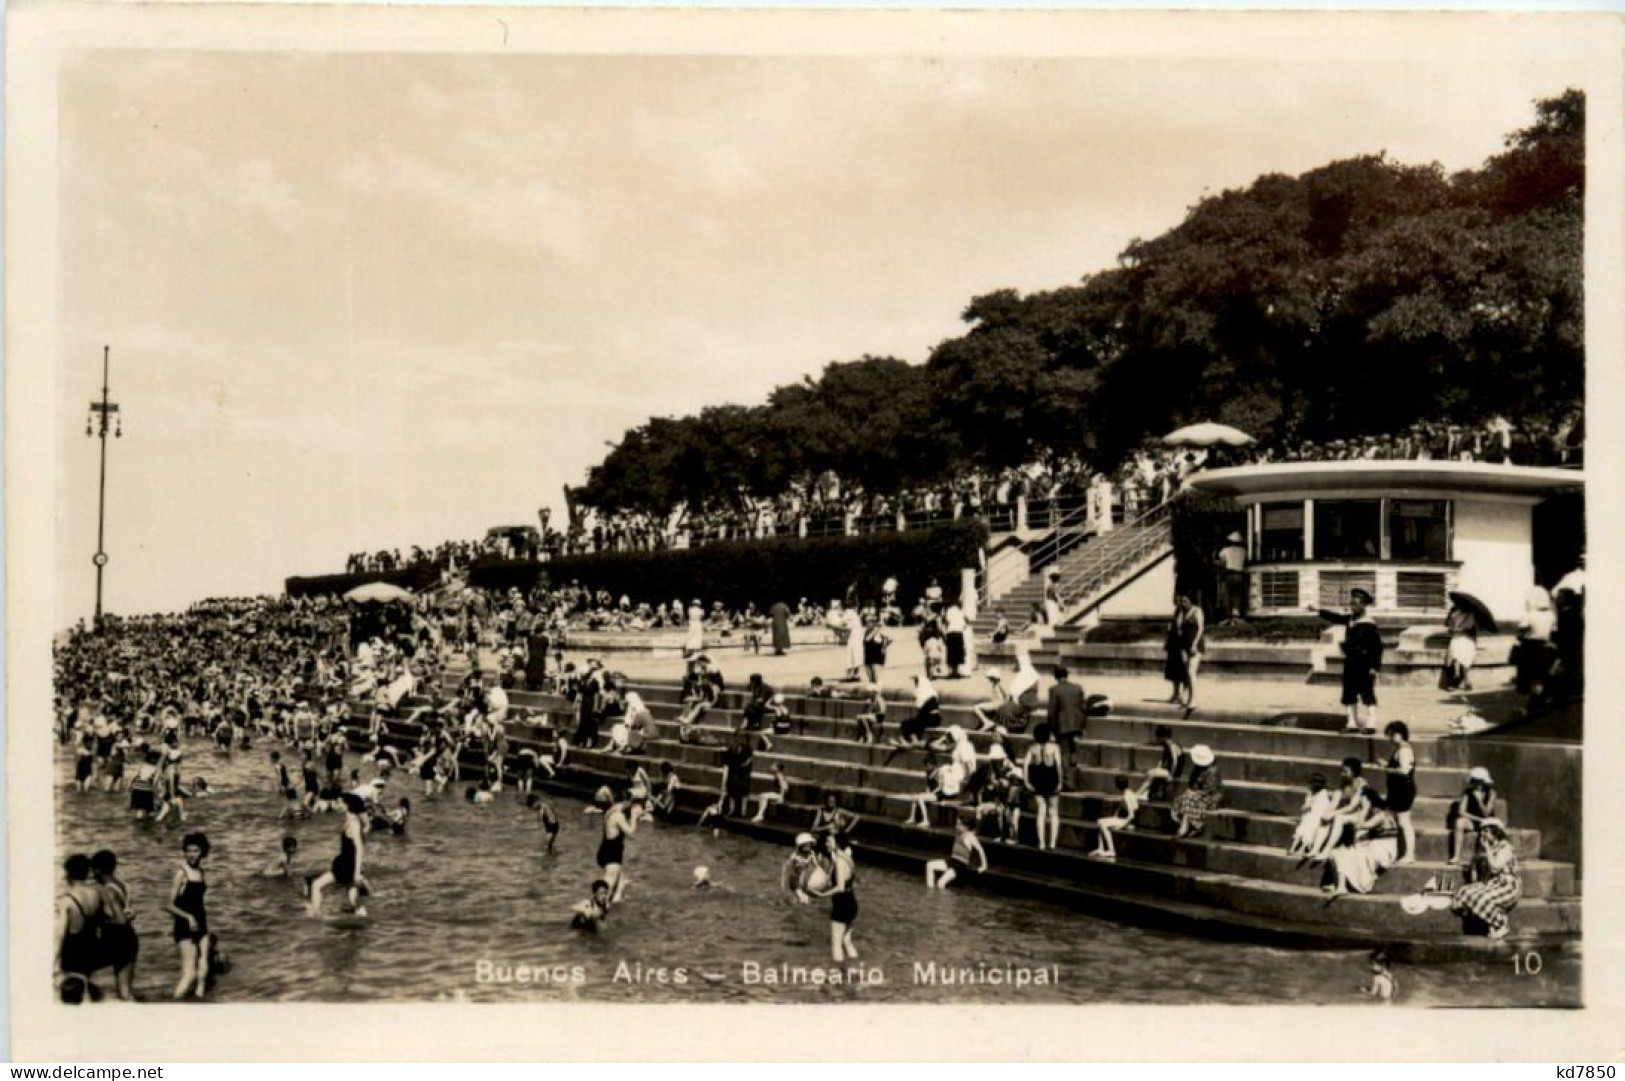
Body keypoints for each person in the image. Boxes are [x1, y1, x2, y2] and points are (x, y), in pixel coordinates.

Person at [1323, 588, 1383, 732]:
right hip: (1351, 661)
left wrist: (1374, 667)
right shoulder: (1350, 620)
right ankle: (1351, 723)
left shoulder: (1369, 624)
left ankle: (1371, 724)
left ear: (1363, 605)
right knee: (1349, 692)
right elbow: (1335, 617)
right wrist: (1317, 610)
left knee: (1367, 693)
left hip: (1365, 663)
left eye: (1356, 604)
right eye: (1352, 604)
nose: (1353, 607)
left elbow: (1377, 647)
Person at [1450, 821, 1522, 939]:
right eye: (1482, 831)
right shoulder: (1488, 847)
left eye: (1486, 831)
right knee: (1464, 891)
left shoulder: (1505, 848)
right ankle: (1479, 918)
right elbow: (1475, 866)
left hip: (1508, 885)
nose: (1483, 834)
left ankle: (1501, 924)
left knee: (1483, 899)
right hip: (1493, 882)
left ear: (1496, 833)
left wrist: (1487, 848)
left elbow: (1495, 868)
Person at [164, 832, 212, 1000]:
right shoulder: (181, 873)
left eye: (196, 851)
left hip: (202, 923)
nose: (191, 854)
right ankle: (172, 1004)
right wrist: (188, 917)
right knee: (189, 974)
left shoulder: (201, 872)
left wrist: (197, 919)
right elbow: (167, 905)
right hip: (185, 925)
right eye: (188, 850)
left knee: (204, 969)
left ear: (203, 852)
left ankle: (200, 1002)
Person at [307, 794, 370, 918]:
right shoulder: (352, 821)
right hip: (346, 862)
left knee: (317, 885)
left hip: (347, 864)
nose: (337, 805)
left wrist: (357, 872)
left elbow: (360, 848)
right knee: (353, 899)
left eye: (340, 802)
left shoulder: (354, 823)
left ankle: (315, 915)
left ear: (347, 805)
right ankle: (363, 922)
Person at [55, 854, 105, 1004]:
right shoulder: (96, 894)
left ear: (68, 873)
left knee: (72, 994)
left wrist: (54, 961)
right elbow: (100, 922)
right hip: (91, 946)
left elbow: (60, 934)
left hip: (73, 949)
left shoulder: (66, 900)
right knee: (84, 986)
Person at [91, 850, 138, 1001]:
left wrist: (99, 921)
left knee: (81, 970)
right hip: (129, 938)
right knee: (125, 992)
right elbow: (126, 914)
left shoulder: (108, 890)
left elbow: (120, 920)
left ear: (96, 870)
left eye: (93, 869)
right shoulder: (122, 885)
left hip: (116, 940)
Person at [810, 831, 859, 962]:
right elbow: (853, 882)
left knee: (836, 943)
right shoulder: (848, 859)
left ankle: (837, 976)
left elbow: (840, 887)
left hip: (842, 904)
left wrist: (822, 894)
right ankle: (855, 968)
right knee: (846, 941)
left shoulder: (839, 862)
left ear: (837, 844)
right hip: (851, 901)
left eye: (829, 841)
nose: (826, 843)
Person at [1514, 586, 1558, 703]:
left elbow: (1520, 632)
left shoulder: (1529, 615)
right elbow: (1553, 632)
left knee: (1530, 675)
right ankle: (1541, 697)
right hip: (1546, 647)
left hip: (1530, 647)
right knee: (1542, 674)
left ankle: (1533, 699)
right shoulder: (1551, 616)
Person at [1023, 724, 1063, 850]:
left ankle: (1041, 843)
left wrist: (1026, 782)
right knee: (1053, 812)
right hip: (1051, 778)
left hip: (1037, 780)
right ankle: (1052, 842)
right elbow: (1059, 766)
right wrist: (1060, 782)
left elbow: (1025, 765)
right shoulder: (1054, 747)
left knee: (1041, 811)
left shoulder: (1032, 748)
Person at [596, 787, 639, 904]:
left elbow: (622, 806)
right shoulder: (618, 816)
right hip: (612, 855)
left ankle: (617, 900)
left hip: (605, 851)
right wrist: (634, 816)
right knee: (605, 892)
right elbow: (631, 834)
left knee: (620, 884)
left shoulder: (611, 810)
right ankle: (593, 909)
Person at [1447, 767, 1498, 867]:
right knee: (1459, 822)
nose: (1478, 784)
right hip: (1474, 820)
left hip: (1487, 821)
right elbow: (1461, 811)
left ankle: (1486, 858)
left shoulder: (1491, 792)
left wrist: (1479, 801)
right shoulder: (1468, 792)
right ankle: (1456, 856)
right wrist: (1477, 819)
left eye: (1480, 782)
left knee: (1487, 831)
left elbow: (1486, 813)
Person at [1164, 593, 1204, 716]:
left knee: (1191, 672)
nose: (1183, 603)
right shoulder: (1180, 613)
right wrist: (1181, 649)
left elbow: (1201, 629)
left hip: (1195, 647)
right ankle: (1187, 698)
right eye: (1182, 601)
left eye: (1186, 600)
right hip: (1184, 647)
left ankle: (1193, 700)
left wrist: (1194, 644)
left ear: (1191, 600)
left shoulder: (1197, 611)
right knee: (1187, 673)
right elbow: (1178, 631)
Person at [1384, 721, 1418, 864]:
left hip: (1403, 789)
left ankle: (1410, 854)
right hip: (1398, 789)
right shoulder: (1400, 749)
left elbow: (1404, 771)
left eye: (1392, 734)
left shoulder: (1404, 750)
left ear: (1400, 734)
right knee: (1400, 821)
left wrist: (1387, 769)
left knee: (1404, 822)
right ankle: (1403, 853)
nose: (1390, 738)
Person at [1171, 745, 1221, 839]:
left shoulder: (1213, 771)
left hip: (1210, 797)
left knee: (1189, 798)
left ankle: (1185, 827)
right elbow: (1191, 784)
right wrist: (1191, 791)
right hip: (1197, 795)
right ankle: (1187, 824)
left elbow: (1210, 790)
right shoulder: (1197, 769)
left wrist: (1195, 793)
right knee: (1182, 797)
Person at [925, 816, 989, 889]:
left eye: (959, 824)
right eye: (957, 824)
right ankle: (930, 890)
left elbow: (980, 849)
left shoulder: (970, 836)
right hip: (952, 861)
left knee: (941, 882)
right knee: (929, 865)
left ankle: (943, 898)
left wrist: (984, 865)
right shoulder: (958, 834)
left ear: (965, 827)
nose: (956, 826)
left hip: (959, 866)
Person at [1045, 665, 1087, 774]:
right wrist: (1082, 726)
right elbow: (1083, 708)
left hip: (1062, 726)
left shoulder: (1054, 690)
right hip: (1077, 724)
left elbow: (1051, 712)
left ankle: (1068, 781)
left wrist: (1051, 729)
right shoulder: (1078, 688)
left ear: (1055, 676)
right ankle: (1074, 770)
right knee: (1073, 750)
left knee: (1063, 753)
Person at [1090, 775, 1138, 861]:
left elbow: (1131, 815)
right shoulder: (1129, 793)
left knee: (1101, 823)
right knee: (1100, 821)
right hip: (1124, 819)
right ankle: (1100, 848)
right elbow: (1122, 807)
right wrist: (1114, 817)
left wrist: (1122, 826)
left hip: (1126, 821)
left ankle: (1111, 850)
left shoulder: (1126, 796)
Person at [1289, 772, 1336, 858]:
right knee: (1302, 828)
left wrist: (1309, 808)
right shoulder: (1310, 793)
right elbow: (1306, 806)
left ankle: (1302, 849)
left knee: (1309, 830)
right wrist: (1306, 807)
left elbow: (1320, 810)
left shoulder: (1323, 795)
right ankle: (1293, 847)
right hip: (1309, 816)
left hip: (1317, 817)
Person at [1440, 597, 1480, 693]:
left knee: (1466, 659)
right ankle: (1452, 682)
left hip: (1467, 639)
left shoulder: (1471, 614)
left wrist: (1461, 629)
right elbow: (1447, 624)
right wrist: (1452, 623)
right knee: (1453, 658)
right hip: (1456, 638)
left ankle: (1467, 680)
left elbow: (1472, 629)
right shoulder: (1454, 612)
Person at [1216, 531, 1248, 624]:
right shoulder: (1243, 551)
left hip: (1229, 574)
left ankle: (1229, 615)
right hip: (1239, 574)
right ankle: (1236, 614)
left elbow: (1222, 563)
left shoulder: (1225, 550)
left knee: (1228, 595)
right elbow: (1245, 562)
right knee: (1237, 595)